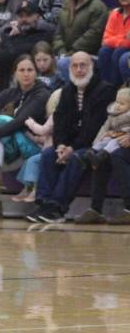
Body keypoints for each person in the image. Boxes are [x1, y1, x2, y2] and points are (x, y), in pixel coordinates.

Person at [27, 52, 116, 223]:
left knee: (76, 158)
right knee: (47, 154)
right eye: (75, 66)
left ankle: (57, 208)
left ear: (91, 67)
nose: (79, 70)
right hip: (70, 144)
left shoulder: (105, 90)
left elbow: (94, 128)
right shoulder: (67, 90)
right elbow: (59, 121)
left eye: (83, 65)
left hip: (96, 145)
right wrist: (60, 145)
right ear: (69, 69)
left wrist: (71, 148)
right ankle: (44, 204)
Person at [0, 56, 50, 219]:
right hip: (6, 151)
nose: (26, 74)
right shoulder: (7, 94)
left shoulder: (42, 94)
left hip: (29, 150)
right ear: (15, 73)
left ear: (36, 73)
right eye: (21, 70)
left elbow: (20, 122)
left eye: (30, 70)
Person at [53, 0, 107, 81]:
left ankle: (77, 93)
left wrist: (72, 53)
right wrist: (61, 51)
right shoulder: (66, 6)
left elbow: (94, 35)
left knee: (63, 63)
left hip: (90, 54)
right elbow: (58, 34)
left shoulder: (97, 6)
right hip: (67, 54)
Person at [78, 87, 130, 169]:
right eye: (117, 102)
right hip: (112, 135)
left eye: (122, 104)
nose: (118, 105)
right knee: (105, 140)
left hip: (122, 138)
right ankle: (91, 152)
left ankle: (101, 156)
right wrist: (98, 140)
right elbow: (104, 128)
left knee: (114, 143)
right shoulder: (113, 114)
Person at [97, 0, 130, 86]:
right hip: (119, 47)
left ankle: (116, 88)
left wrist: (117, 40)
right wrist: (123, 38)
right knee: (104, 51)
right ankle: (107, 87)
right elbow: (105, 40)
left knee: (118, 52)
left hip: (124, 51)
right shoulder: (115, 13)